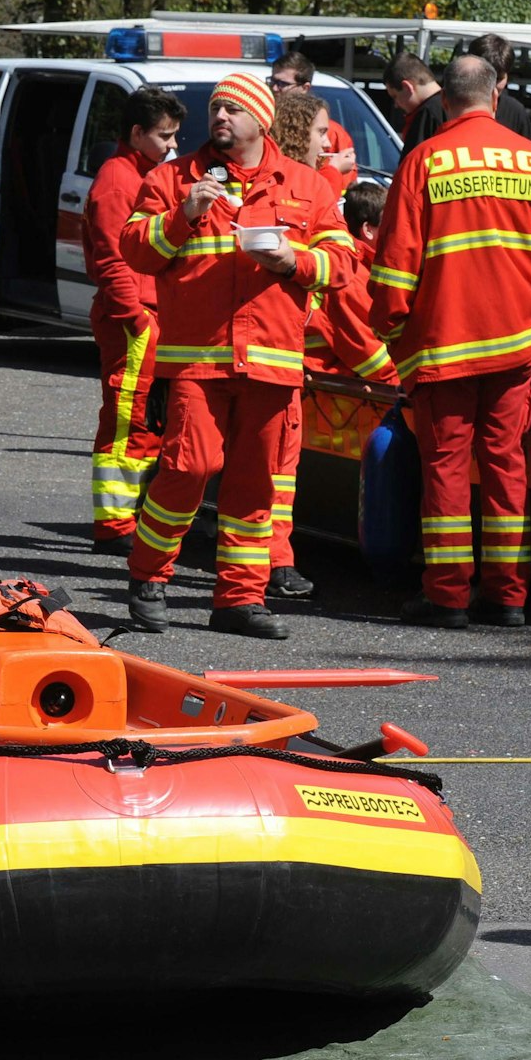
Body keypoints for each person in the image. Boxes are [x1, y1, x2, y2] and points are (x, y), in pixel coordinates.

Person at [118, 73, 355, 638]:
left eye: (233, 109)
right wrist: (182, 215)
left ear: (262, 120)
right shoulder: (172, 178)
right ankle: (149, 576)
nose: (220, 116)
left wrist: (292, 261)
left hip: (272, 360)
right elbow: (134, 249)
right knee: (188, 468)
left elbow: (343, 263)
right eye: (216, 108)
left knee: (255, 485)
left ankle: (239, 600)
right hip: (196, 359)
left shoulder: (306, 184)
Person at [369, 54, 531, 629]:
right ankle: (507, 595)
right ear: (495, 96)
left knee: (445, 468)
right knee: (505, 466)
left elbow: (393, 269)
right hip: (515, 348)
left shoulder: (424, 161)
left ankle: (447, 596)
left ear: (444, 101)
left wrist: (394, 335)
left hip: (442, 347)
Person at [83, 86, 187, 554]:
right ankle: (114, 525)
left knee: (147, 419)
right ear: (137, 133)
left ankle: (129, 517)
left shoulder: (141, 174)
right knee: (128, 421)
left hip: (145, 317)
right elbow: (112, 258)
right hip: (133, 321)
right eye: (165, 136)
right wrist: (136, 318)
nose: (172, 144)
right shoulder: (118, 180)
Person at [305, 181, 398, 384]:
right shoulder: (351, 277)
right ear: (368, 230)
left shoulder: (365, 267)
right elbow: (374, 361)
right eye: (391, 224)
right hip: (335, 391)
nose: (398, 232)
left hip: (338, 385)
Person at [400, 34, 531, 150]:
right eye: (484, 78)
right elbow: (412, 163)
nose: (491, 86)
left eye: (498, 79)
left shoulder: (515, 112)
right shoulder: (433, 111)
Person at [269, 51, 358, 191]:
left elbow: (344, 186)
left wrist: (333, 172)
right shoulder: (263, 125)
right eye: (273, 81)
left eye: (282, 84)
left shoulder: (333, 133)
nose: (274, 88)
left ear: (305, 88)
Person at [383, 52, 441, 137]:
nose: (396, 105)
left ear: (407, 87)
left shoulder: (425, 116)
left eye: (395, 96)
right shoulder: (455, 105)